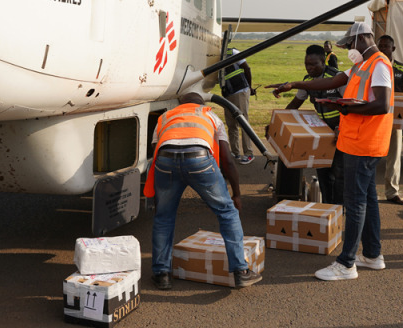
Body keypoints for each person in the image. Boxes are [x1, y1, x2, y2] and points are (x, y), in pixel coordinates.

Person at [269, 21, 392, 281]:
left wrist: (349, 109)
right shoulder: (360, 66)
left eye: (349, 45)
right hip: (357, 142)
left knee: (355, 202)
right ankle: (372, 255)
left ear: (361, 39)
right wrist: (292, 84)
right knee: (367, 199)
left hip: (364, 143)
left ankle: (346, 264)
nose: (348, 49)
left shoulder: (379, 65)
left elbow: (382, 105)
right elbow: (332, 81)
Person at [145, 92, 262, 289]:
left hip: (166, 160)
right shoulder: (210, 115)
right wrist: (236, 194)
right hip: (199, 159)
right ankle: (240, 271)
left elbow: (156, 151)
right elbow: (226, 159)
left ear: (180, 104)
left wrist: (158, 200)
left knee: (163, 218)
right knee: (227, 213)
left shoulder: (165, 117)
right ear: (201, 104)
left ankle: (162, 274)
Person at [273, 44, 345, 203]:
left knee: (340, 174)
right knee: (323, 173)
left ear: (323, 62)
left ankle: (340, 210)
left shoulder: (337, 77)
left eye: (314, 64)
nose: (309, 68)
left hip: (341, 131)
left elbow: (349, 108)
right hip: (323, 134)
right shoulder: (307, 81)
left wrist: (341, 128)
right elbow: (295, 104)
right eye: (307, 64)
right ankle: (327, 207)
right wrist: (277, 123)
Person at [376, 34, 403, 206]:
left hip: (394, 121)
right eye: (381, 46)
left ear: (393, 49)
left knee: (394, 157)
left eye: (386, 46)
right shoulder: (373, 67)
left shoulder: (402, 69)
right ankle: (367, 192)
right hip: (375, 119)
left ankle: (392, 193)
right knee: (371, 156)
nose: (383, 49)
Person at [220, 47, 256, 164]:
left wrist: (249, 88)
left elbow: (247, 68)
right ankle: (235, 152)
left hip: (240, 91)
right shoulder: (214, 56)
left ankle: (249, 153)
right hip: (228, 93)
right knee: (231, 124)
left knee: (243, 122)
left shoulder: (232, 52)